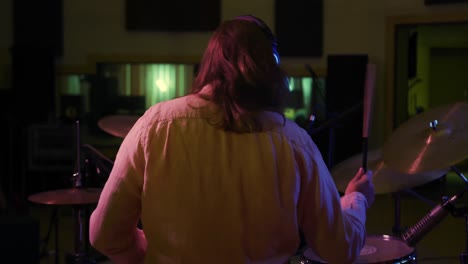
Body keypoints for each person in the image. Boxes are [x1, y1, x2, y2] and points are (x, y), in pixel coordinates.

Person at [89, 14, 375, 264]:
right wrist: (356, 198)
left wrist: (147, 256)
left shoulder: (154, 127)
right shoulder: (295, 143)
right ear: (271, 69)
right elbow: (340, 248)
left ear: (210, 62)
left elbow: (104, 234)